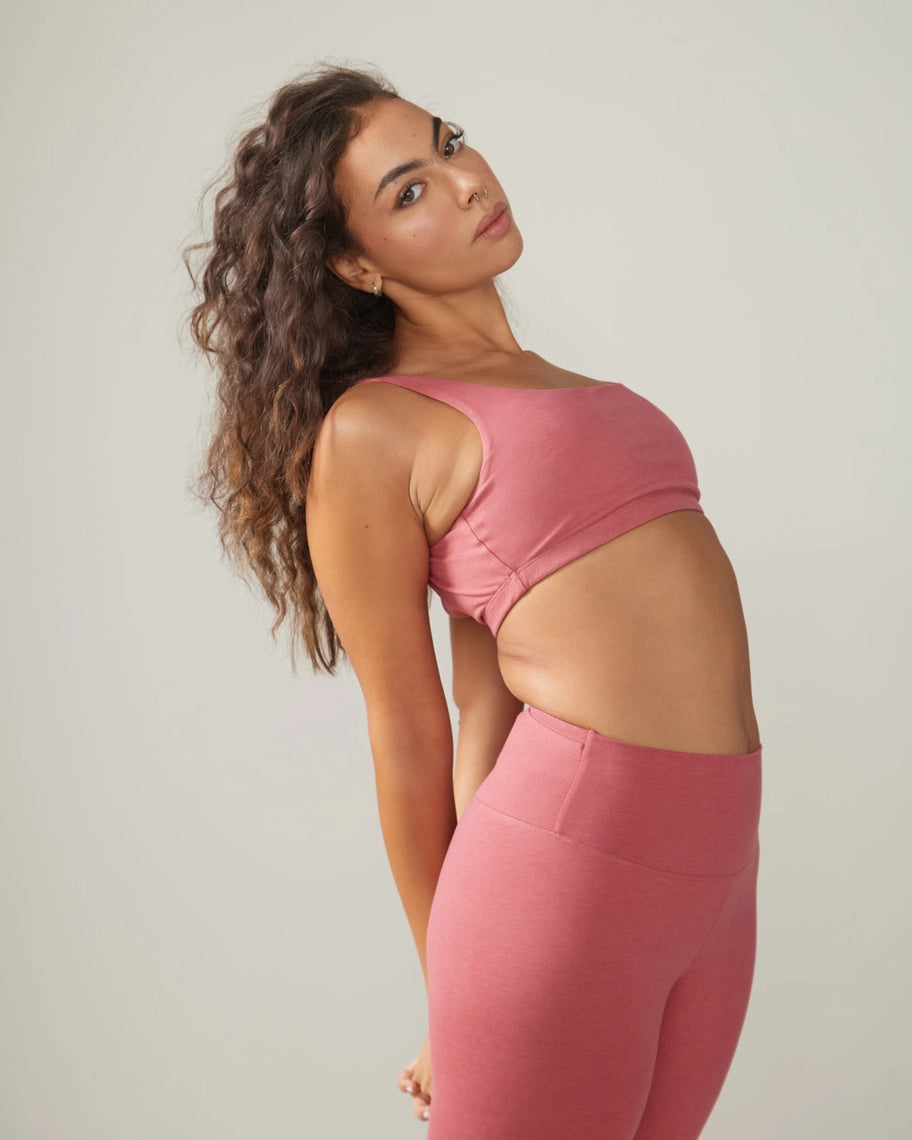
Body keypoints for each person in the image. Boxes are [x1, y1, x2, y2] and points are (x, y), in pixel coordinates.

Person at [184, 62, 763, 1140]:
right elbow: (407, 730)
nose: (462, 182)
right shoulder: (377, 428)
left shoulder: (564, 383)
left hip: (718, 868)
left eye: (448, 143)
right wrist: (447, 990)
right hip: (566, 876)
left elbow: (488, 698)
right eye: (408, 191)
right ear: (356, 263)